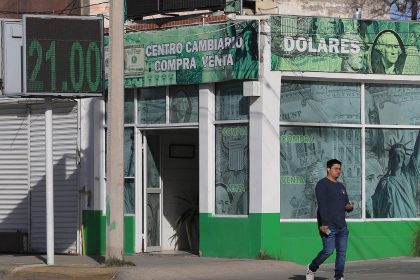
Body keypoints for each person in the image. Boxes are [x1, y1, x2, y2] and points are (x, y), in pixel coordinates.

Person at [306, 159, 354, 280]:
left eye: (339, 169)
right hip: (328, 226)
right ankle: (311, 268)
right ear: (328, 169)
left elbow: (345, 205)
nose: (338, 171)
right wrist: (324, 223)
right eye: (336, 169)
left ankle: (339, 276)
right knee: (328, 251)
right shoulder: (322, 184)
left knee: (341, 253)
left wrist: (349, 207)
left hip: (342, 226)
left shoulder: (341, 186)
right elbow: (322, 205)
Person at [372, 131, 420, 218]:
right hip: (391, 224)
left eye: (401, 156)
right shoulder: (384, 182)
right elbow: (375, 204)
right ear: (391, 160)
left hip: (409, 220)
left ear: (403, 160)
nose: (398, 159)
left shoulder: (408, 177)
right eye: (395, 156)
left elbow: (417, 154)